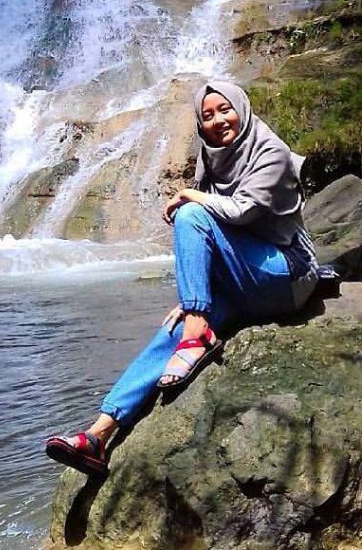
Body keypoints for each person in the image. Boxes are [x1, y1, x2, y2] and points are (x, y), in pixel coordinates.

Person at [45, 80, 319, 477]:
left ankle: (197, 330)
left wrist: (192, 196)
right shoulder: (212, 159)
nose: (217, 120)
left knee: (191, 217)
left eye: (225, 109)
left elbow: (242, 212)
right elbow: (217, 241)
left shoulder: (270, 151)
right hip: (245, 281)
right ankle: (98, 435)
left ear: (242, 108)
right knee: (171, 333)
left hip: (286, 275)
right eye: (206, 116)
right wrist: (196, 299)